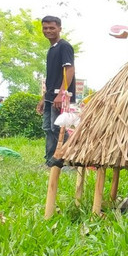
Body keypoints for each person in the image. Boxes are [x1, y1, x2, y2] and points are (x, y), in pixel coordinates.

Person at [35, 16, 75, 167]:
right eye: (45, 28)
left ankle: (69, 161)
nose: (48, 31)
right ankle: (51, 161)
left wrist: (61, 94)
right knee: (48, 128)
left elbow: (69, 69)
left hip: (61, 96)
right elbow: (52, 77)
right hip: (50, 96)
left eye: (52, 28)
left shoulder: (64, 46)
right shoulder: (52, 49)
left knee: (59, 129)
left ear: (59, 28)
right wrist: (44, 98)